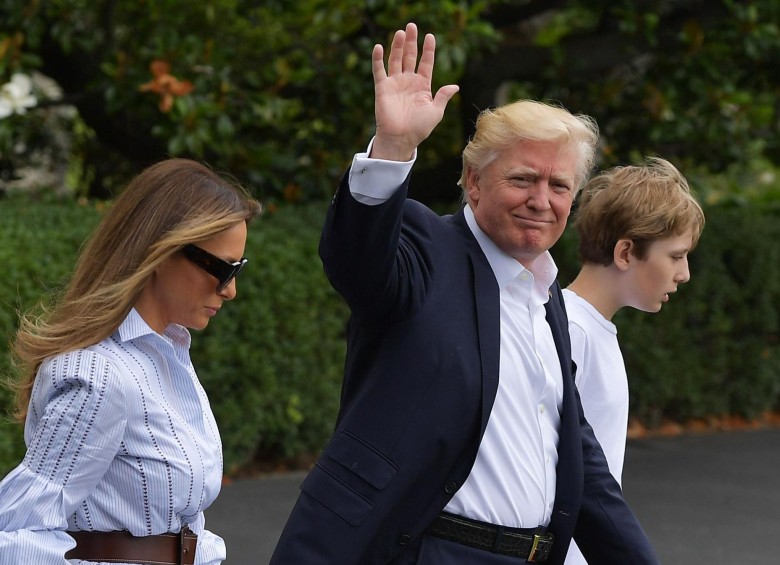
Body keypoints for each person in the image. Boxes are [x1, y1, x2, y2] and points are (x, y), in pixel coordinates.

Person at [270, 22, 658, 565]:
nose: (541, 200)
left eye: (559, 186)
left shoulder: (547, 302)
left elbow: (582, 465)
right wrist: (394, 147)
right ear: (473, 183)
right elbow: (357, 260)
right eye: (523, 179)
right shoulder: (428, 250)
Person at [0, 158, 261, 564]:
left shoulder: (168, 353)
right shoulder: (98, 374)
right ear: (160, 251)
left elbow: (183, 523)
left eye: (237, 268)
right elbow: (17, 531)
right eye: (223, 269)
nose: (230, 290)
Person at [563, 158, 705, 564]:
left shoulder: (591, 329)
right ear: (625, 251)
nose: (685, 274)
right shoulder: (570, 331)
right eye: (676, 256)